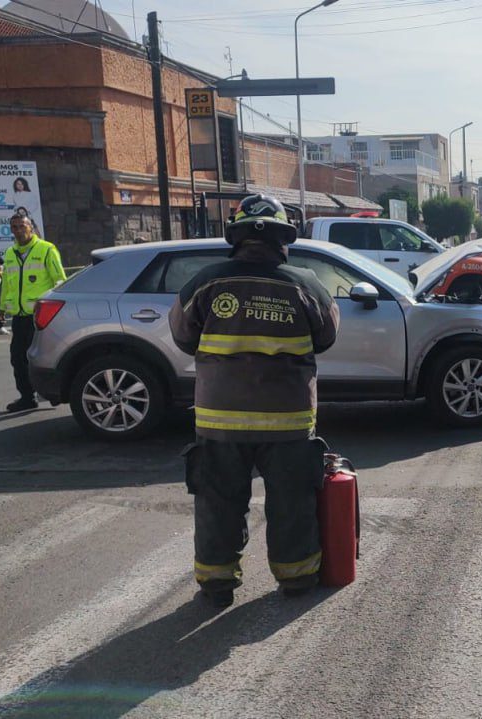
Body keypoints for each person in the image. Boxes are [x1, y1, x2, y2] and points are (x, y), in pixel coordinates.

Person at [169, 194, 340, 609]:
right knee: (292, 502)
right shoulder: (305, 285)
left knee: (218, 502)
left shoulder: (206, 282)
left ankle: (217, 584)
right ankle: (296, 579)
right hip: (288, 420)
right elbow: (327, 337)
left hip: (219, 420)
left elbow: (183, 336)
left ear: (236, 238)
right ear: (285, 239)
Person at [1, 213, 66, 412]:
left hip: (40, 316)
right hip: (20, 316)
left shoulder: (46, 249)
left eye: (22, 226)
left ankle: (53, 392)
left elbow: (60, 281)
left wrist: (56, 310)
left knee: (45, 357)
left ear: (31, 227)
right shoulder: (10, 253)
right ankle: (27, 397)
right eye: (14, 227)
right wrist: (2, 307)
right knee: (18, 358)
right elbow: (6, 283)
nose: (19, 231)